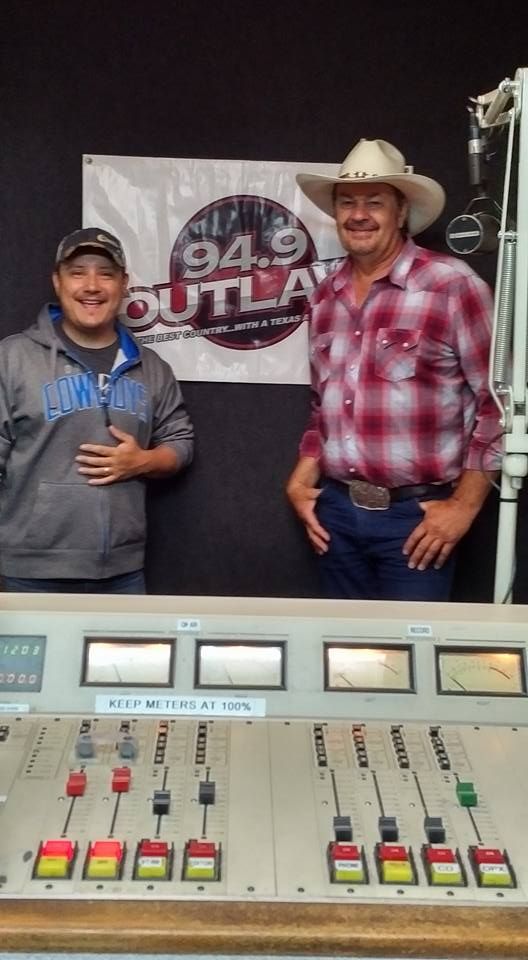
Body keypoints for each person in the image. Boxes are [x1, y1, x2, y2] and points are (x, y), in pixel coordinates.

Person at [286, 139, 501, 601]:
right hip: (336, 513)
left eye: (375, 202)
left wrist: (464, 506)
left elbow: (499, 403)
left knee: (413, 646)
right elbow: (322, 407)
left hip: (416, 520)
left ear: (402, 212)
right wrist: (300, 480)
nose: (359, 215)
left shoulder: (451, 286)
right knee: (339, 645)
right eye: (347, 202)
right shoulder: (324, 298)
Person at [0, 227, 194, 593]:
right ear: (57, 281)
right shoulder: (12, 359)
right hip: (31, 573)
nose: (92, 286)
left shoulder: (151, 368)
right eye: (77, 273)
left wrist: (144, 461)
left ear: (123, 285)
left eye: (105, 274)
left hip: (123, 573)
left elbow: (180, 441)